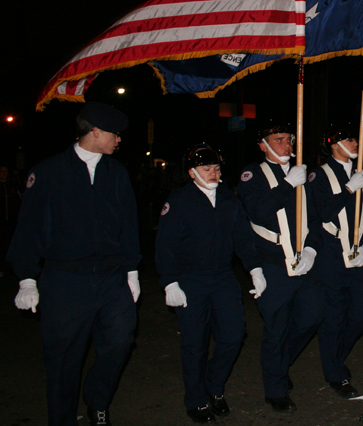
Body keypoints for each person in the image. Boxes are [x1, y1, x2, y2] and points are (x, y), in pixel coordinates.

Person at [7, 101, 140, 426]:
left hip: (110, 277)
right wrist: (27, 277)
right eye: (114, 134)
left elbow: (129, 225)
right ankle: (63, 418)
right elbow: (29, 229)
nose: (119, 140)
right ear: (95, 132)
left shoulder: (117, 172)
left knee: (121, 341)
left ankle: (97, 401)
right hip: (65, 279)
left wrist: (132, 270)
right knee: (63, 359)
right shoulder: (49, 172)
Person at [155, 144, 265, 423]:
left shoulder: (229, 198)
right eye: (207, 169)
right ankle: (195, 400)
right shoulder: (179, 201)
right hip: (190, 280)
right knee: (195, 344)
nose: (214, 174)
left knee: (233, 336)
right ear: (192, 173)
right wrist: (170, 283)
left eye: (217, 168)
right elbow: (165, 246)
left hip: (223, 279)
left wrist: (255, 269)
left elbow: (242, 237)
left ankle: (213, 386)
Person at [236, 124, 324, 413]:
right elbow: (258, 212)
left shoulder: (302, 173)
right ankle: (275, 388)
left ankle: (280, 363)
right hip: (273, 262)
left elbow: (314, 217)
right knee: (276, 327)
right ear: (263, 145)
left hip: (304, 259)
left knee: (311, 316)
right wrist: (287, 185)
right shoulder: (252, 175)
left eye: (288, 139)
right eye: (278, 140)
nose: (286, 144)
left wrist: (312, 248)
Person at [306, 125, 363, 398]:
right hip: (332, 251)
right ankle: (335, 373)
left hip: (358, 248)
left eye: (356, 138)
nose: (356, 143)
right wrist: (348, 189)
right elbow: (323, 211)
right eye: (349, 139)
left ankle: (334, 355)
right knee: (333, 316)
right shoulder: (319, 175)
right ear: (334, 144)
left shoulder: (361, 172)